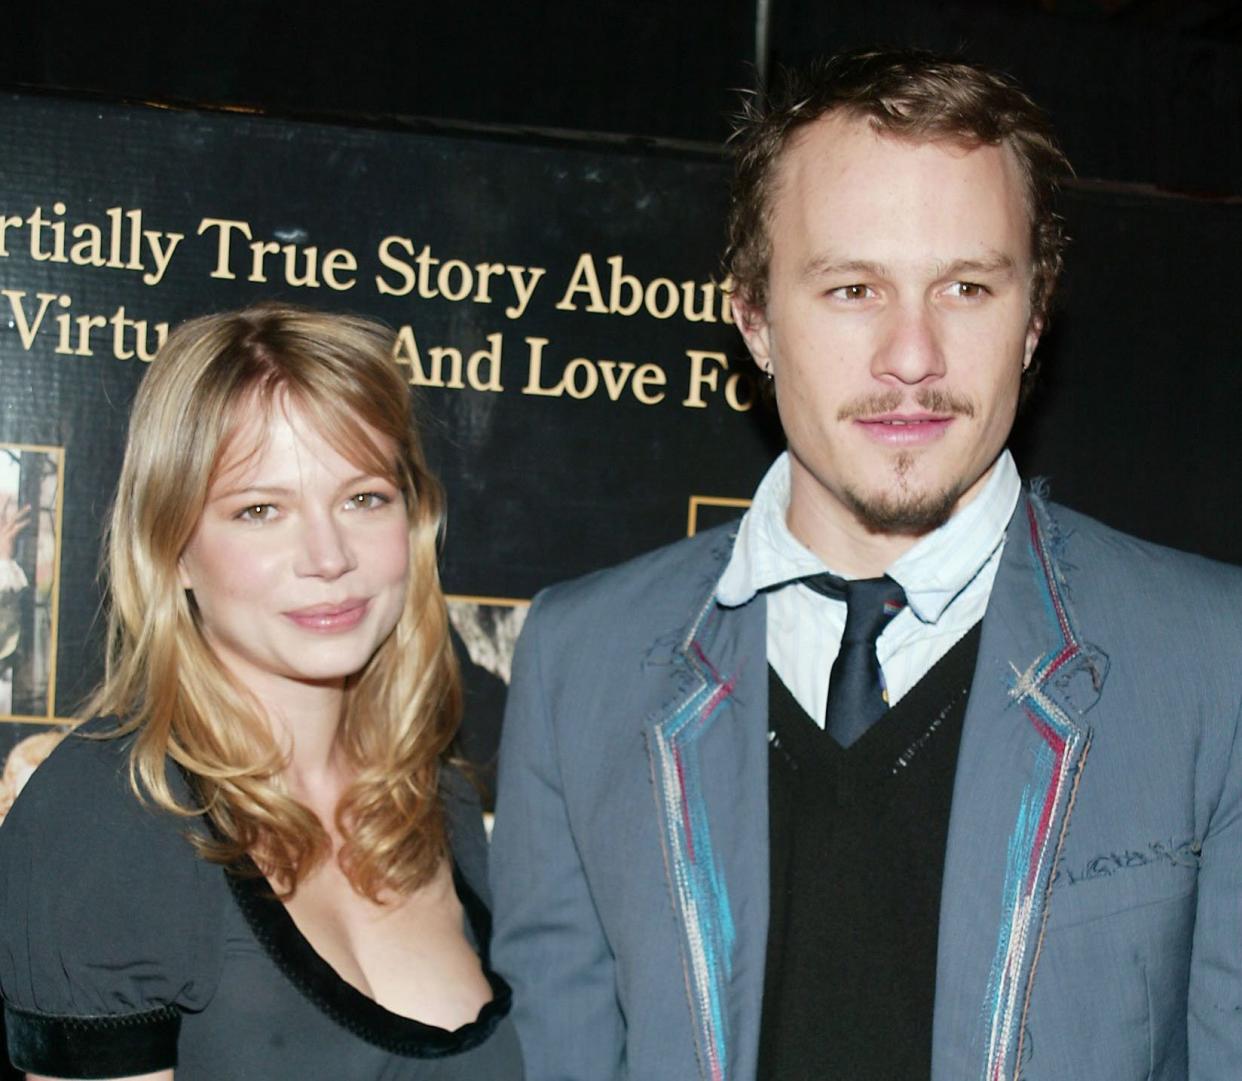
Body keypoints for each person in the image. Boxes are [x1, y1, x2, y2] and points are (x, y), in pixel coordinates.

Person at [489, 48, 1242, 1081]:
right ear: (751, 316)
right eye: (852, 288)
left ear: (1033, 320)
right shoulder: (584, 661)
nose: (912, 357)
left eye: (967, 287)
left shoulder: (1212, 661)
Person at [0, 304, 523, 1080]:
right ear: (171, 547)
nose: (327, 554)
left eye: (364, 497)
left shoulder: (439, 797)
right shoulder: (101, 819)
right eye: (260, 509)